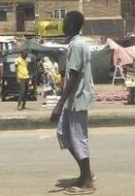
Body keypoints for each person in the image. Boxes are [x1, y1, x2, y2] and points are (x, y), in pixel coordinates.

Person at [50, 11, 96, 195]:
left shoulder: (77, 45)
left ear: (71, 24)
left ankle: (88, 182)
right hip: (72, 100)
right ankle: (86, 173)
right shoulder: (75, 44)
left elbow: (74, 75)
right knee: (63, 133)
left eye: (64, 21)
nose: (62, 24)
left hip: (77, 99)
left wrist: (59, 103)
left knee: (78, 138)